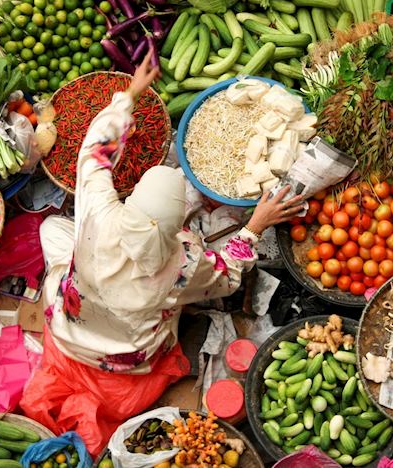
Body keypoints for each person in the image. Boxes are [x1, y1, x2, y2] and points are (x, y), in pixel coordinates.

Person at [20, 53, 305, 455]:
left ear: (131, 200)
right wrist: (256, 225)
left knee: (53, 229)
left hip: (70, 324)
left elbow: (95, 153)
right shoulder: (182, 265)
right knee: (186, 297)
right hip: (126, 357)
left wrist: (129, 96)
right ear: (177, 228)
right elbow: (227, 274)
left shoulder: (99, 212)